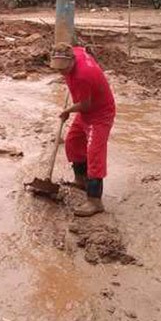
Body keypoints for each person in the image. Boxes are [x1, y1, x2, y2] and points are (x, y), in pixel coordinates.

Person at [50, 43, 116, 217]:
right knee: (72, 142)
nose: (61, 73)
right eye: (58, 69)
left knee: (95, 154)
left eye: (64, 69)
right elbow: (85, 49)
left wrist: (67, 111)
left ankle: (95, 201)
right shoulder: (76, 52)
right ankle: (81, 181)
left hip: (99, 113)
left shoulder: (82, 76)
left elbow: (85, 105)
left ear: (72, 61)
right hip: (86, 111)